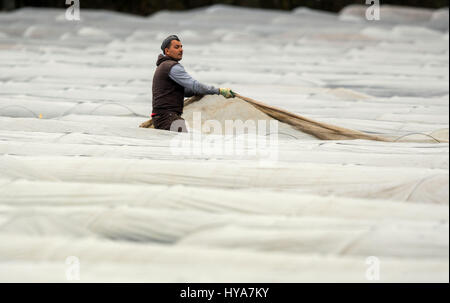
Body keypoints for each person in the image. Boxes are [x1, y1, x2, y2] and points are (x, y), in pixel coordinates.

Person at [151, 35, 234, 132]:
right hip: (168, 117)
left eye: (181, 47)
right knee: (182, 144)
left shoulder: (163, 66)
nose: (181, 50)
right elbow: (195, 86)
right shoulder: (172, 67)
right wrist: (218, 91)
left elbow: (185, 91)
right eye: (176, 47)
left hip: (162, 117)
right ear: (167, 51)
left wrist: (202, 92)